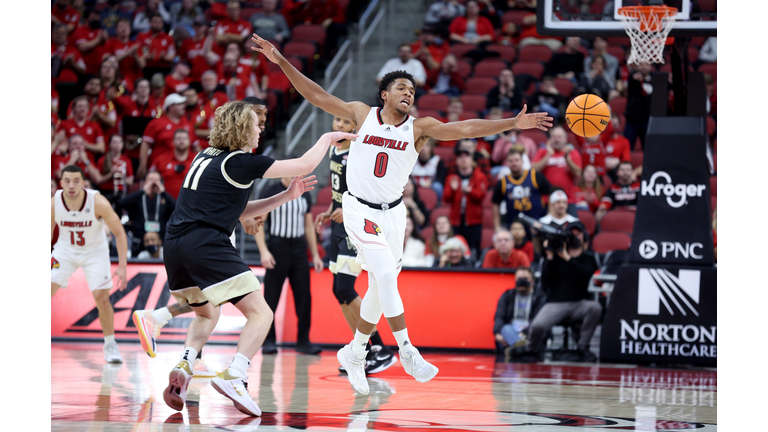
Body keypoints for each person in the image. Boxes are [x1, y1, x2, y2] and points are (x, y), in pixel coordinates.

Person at [251, 33, 552, 395]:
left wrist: (509, 124)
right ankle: (407, 349)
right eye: (402, 88)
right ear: (385, 95)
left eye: (412, 89)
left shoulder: (419, 128)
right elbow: (318, 96)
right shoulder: (363, 116)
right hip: (358, 208)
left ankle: (355, 351)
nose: (409, 93)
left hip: (394, 216)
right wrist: (282, 61)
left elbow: (466, 128)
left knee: (380, 285)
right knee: (381, 273)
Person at [136, 100, 352, 416]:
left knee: (207, 314)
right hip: (204, 243)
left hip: (175, 245)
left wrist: (286, 196)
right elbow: (305, 164)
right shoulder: (241, 163)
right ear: (241, 127)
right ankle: (236, 374)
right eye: (255, 124)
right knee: (261, 313)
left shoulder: (203, 156)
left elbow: (235, 212)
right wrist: (328, 138)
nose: (259, 130)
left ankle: (185, 365)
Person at [313, 116, 399, 373]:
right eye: (336, 119)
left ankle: (380, 348)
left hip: (357, 226)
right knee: (339, 292)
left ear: (354, 127)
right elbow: (339, 190)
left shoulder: (359, 151)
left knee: (345, 288)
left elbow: (366, 191)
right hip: (340, 226)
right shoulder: (332, 148)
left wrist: (349, 212)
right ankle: (360, 352)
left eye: (344, 121)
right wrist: (330, 210)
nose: (339, 124)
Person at [52, 165, 129, 363]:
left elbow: (119, 232)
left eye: (76, 181)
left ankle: (110, 346)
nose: (71, 185)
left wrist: (122, 266)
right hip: (64, 252)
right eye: (67, 181)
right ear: (61, 183)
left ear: (83, 183)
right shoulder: (54, 203)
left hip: (95, 252)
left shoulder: (97, 202)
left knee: (102, 299)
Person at [508, 222, 600, 362]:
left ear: (583, 236)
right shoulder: (556, 255)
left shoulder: (589, 257)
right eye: (572, 233)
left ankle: (583, 347)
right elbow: (544, 284)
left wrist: (567, 258)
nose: (575, 236)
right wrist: (550, 258)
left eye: (578, 233)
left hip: (579, 303)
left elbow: (587, 274)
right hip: (556, 303)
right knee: (537, 325)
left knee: (595, 308)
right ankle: (530, 349)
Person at [254, 176, 324, 356]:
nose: (293, 175)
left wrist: (315, 254)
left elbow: (308, 227)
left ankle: (303, 341)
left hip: (299, 249)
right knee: (271, 297)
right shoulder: (271, 191)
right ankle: (268, 341)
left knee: (304, 297)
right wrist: (263, 251)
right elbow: (259, 222)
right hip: (278, 247)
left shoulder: (304, 193)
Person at [115, 171, 176, 257]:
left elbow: (177, 209)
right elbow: (121, 203)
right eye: (150, 180)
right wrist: (143, 191)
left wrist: (163, 192)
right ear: (145, 182)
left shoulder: (164, 198)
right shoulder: (139, 197)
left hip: (161, 243)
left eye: (157, 180)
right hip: (139, 242)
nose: (153, 183)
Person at [138, 93, 198, 178]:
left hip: (184, 167)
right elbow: (145, 144)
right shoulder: (156, 123)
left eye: (183, 104)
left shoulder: (188, 125)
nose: (183, 106)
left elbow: (195, 147)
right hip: (160, 168)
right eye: (180, 104)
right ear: (170, 107)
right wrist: (142, 166)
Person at [492, 148, 552, 230]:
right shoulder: (503, 182)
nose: (514, 163)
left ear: (522, 161)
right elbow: (495, 203)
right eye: (510, 161)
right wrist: (497, 226)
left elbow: (551, 193)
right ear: (506, 163)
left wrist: (549, 215)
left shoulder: (535, 176)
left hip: (537, 222)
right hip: (514, 226)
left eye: (516, 160)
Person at [443, 146, 487, 257]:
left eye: (466, 156)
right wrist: (453, 190)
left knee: (473, 250)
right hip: (456, 220)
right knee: (455, 248)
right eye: (460, 157)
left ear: (472, 160)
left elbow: (481, 197)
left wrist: (470, 192)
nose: (463, 159)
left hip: (474, 221)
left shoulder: (479, 176)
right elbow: (445, 198)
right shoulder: (452, 177)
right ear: (456, 161)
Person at [493, 267, 546, 351]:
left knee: (537, 332)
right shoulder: (507, 296)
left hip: (530, 333)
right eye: (519, 279)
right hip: (510, 331)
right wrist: (498, 334)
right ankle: (521, 348)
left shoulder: (540, 297)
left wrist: (524, 333)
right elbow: (499, 317)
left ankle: (516, 348)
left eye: (525, 279)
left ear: (532, 281)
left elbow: (539, 321)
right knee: (505, 329)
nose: (522, 281)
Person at [531, 126, 582, 211]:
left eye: (559, 137)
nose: (556, 139)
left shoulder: (572, 153)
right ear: (550, 139)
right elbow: (533, 170)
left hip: (567, 199)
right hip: (547, 199)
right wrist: (548, 155)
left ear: (565, 139)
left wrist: (567, 159)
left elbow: (578, 173)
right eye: (554, 137)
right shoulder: (542, 151)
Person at [150, 129, 196, 200]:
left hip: (190, 202)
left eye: (184, 138)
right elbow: (149, 178)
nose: (181, 141)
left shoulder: (197, 160)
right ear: (173, 142)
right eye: (178, 138)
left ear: (189, 141)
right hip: (165, 202)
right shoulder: (161, 159)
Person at [104, 19, 146, 87]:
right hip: (117, 79)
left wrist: (135, 54)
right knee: (120, 94)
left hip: (135, 79)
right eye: (121, 26)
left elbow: (142, 65)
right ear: (116, 30)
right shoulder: (110, 43)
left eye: (126, 26)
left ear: (130, 30)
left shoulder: (135, 44)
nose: (124, 28)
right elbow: (108, 60)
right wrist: (129, 51)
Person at [95, 135, 134, 202]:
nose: (117, 145)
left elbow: (130, 181)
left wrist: (121, 176)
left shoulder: (126, 160)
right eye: (114, 142)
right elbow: (98, 181)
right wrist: (111, 174)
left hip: (121, 192)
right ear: (109, 144)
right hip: (105, 191)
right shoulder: (102, 160)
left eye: (119, 142)